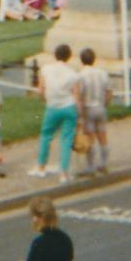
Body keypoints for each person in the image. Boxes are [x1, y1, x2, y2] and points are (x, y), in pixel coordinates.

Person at [30, 45, 80, 180]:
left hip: (52, 106)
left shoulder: (46, 69)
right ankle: (63, 172)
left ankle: (41, 167)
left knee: (46, 136)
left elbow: (41, 90)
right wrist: (79, 113)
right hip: (68, 106)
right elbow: (76, 95)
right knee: (66, 139)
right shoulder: (72, 73)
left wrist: (44, 99)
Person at [76, 48, 111, 175]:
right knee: (102, 136)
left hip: (88, 108)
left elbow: (79, 95)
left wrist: (80, 113)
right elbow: (108, 92)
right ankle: (104, 163)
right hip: (100, 107)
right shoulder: (102, 73)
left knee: (90, 138)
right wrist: (105, 104)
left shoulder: (81, 75)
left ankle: (91, 166)